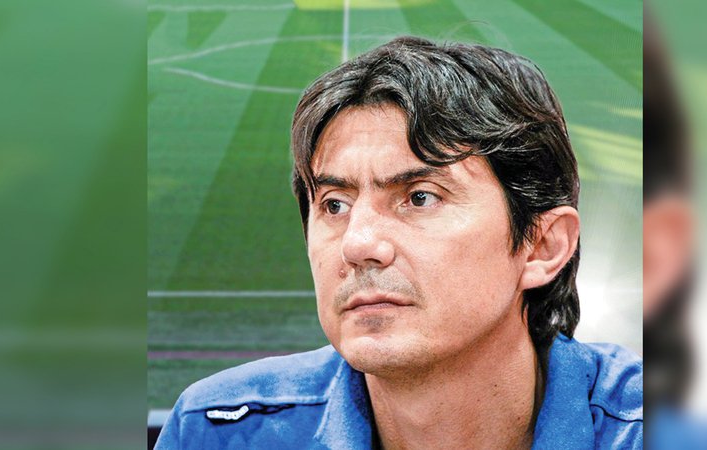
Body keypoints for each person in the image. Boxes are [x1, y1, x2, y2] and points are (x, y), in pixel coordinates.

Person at [155, 36, 642, 449]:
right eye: (334, 205)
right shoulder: (217, 432)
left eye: (420, 197)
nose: (357, 244)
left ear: (543, 246)